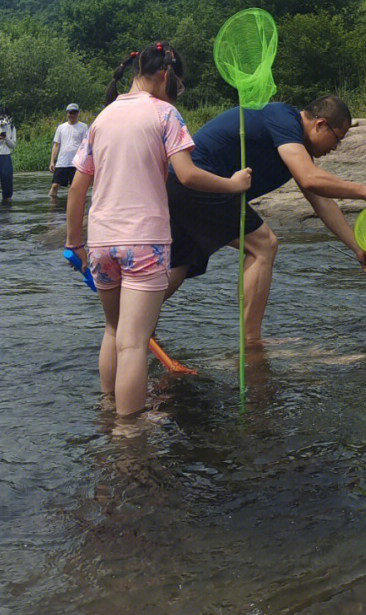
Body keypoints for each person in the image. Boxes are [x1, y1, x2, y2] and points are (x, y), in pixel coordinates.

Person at [65, 41, 251, 417]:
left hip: (101, 241)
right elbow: (187, 174)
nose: (176, 94)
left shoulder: (101, 118)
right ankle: (129, 435)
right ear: (165, 76)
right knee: (134, 343)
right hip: (145, 241)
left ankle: (108, 411)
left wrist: (75, 244)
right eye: (177, 86)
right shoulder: (165, 115)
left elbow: (77, 187)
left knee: (114, 332)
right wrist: (233, 184)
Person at [162, 95, 366, 344]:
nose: (335, 148)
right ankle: (252, 343)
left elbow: (321, 201)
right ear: (320, 124)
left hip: (177, 183)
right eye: (337, 139)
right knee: (263, 245)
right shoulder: (285, 120)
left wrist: (358, 248)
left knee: (180, 263)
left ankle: (136, 326)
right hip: (198, 180)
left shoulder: (293, 142)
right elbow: (309, 178)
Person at [48, 102, 88, 203]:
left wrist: (85, 161)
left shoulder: (83, 127)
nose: (72, 115)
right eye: (70, 112)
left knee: (74, 187)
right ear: (67, 113)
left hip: (77, 162)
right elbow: (56, 145)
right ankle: (52, 207)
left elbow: (86, 145)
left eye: (74, 112)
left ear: (78, 113)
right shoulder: (61, 127)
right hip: (62, 161)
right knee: (55, 185)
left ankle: (72, 207)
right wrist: (52, 161)